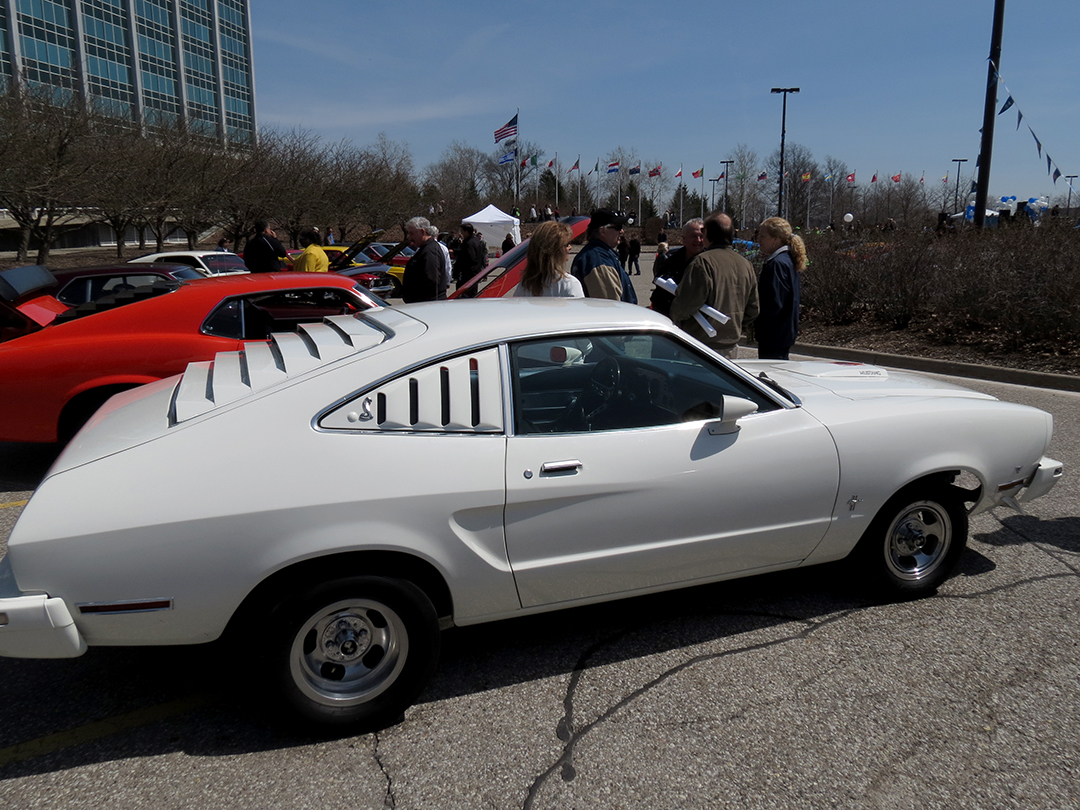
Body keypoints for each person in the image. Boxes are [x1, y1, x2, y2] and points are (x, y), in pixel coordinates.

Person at [670, 213, 758, 359]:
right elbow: (753, 308)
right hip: (730, 347)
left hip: (700, 348)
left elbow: (684, 306)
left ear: (708, 234)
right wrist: (733, 326)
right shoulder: (746, 264)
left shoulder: (702, 262)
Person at [754, 217, 806, 360]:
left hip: (773, 333)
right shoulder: (787, 260)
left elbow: (773, 303)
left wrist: (755, 317)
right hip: (782, 332)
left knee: (771, 370)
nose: (759, 240)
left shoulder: (777, 264)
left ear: (776, 239)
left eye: (763, 236)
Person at [570, 209, 637, 302]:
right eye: (618, 227)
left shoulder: (600, 255)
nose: (622, 231)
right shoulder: (599, 260)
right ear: (602, 231)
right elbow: (610, 306)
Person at [650, 218, 704, 317]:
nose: (698, 240)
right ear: (684, 239)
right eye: (693, 236)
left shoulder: (709, 262)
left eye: (702, 236)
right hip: (667, 314)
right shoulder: (672, 258)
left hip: (696, 319)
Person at [514, 221, 583, 298]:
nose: (570, 247)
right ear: (554, 250)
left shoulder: (525, 284)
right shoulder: (570, 284)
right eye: (566, 245)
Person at [401, 216, 447, 302]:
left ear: (422, 231)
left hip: (428, 304)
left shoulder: (430, 251)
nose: (410, 238)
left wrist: (418, 300)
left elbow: (432, 281)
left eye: (412, 234)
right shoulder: (425, 249)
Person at [453, 223, 485, 289]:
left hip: (468, 274)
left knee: (465, 292)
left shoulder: (469, 243)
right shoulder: (476, 240)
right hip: (474, 272)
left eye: (462, 231)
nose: (461, 233)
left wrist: (461, 268)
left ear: (466, 232)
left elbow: (470, 257)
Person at [425, 224, 452, 295]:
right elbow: (447, 266)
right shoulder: (444, 248)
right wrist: (448, 281)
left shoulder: (423, 248)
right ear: (437, 234)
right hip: (441, 280)